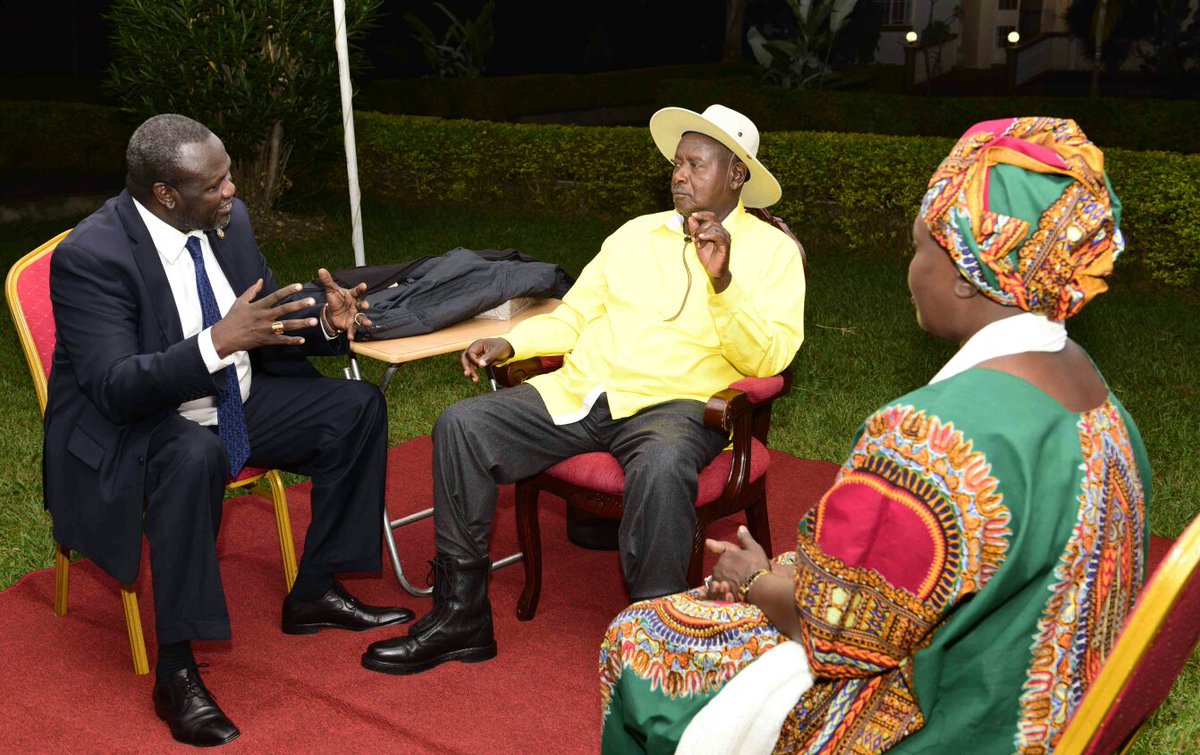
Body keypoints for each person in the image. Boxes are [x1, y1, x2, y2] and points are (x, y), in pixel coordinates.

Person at [598, 117, 1150, 754]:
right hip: (1035, 710)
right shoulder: (1104, 407)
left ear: (968, 276)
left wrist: (754, 580)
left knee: (639, 635)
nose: (910, 269)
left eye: (919, 248)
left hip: (935, 725)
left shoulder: (927, 439)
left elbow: (837, 634)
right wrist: (795, 569)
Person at [361, 104, 807, 676]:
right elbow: (573, 317)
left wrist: (722, 283)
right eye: (677, 164)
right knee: (463, 426)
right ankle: (460, 617)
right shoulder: (633, 235)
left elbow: (769, 359)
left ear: (736, 175)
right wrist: (513, 345)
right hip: (584, 392)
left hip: (676, 409)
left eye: (695, 164)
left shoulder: (772, 254)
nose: (678, 175)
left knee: (665, 465)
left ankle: (659, 643)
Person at [44, 113, 413, 747]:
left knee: (355, 411)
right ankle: (177, 669)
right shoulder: (92, 255)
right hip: (141, 424)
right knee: (193, 458)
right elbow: (115, 388)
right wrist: (218, 341)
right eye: (215, 184)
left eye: (230, 176)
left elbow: (262, 319)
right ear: (166, 194)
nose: (231, 192)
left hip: (234, 399)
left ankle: (317, 589)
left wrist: (325, 323)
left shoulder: (225, 225)